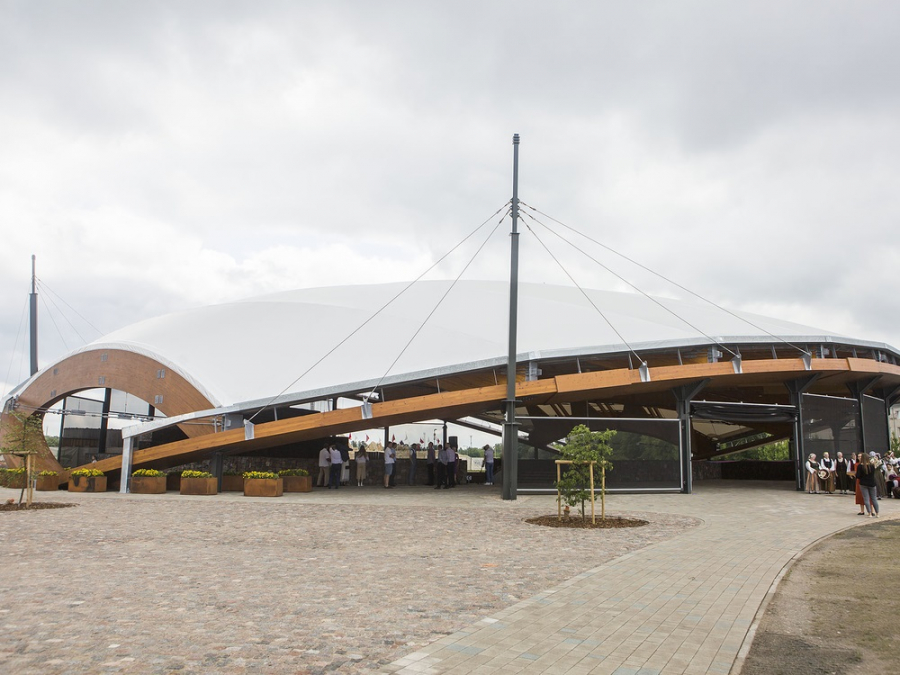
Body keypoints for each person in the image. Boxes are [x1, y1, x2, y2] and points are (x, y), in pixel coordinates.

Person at [856, 452, 880, 517]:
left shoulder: (860, 466)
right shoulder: (872, 466)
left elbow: (858, 476)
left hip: (863, 483)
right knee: (874, 498)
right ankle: (877, 513)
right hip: (872, 483)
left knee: (866, 499)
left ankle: (869, 513)